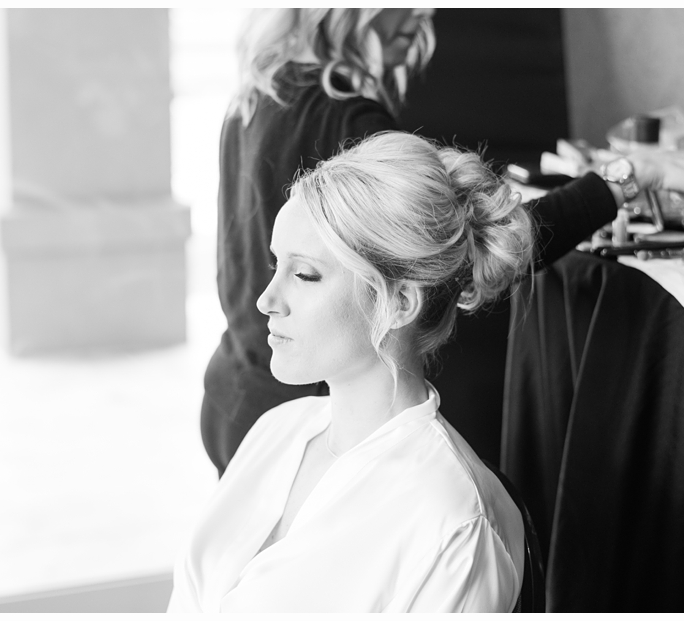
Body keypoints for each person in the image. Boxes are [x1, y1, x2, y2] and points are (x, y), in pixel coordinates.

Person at [202, 7, 684, 476]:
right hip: (308, 425)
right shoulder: (349, 120)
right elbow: (481, 242)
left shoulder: (257, 96)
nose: (425, 16)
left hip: (235, 398)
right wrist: (628, 175)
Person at [170, 131, 530, 612]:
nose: (266, 300)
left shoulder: (452, 524)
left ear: (399, 301)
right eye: (276, 265)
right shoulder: (276, 431)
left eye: (303, 275)